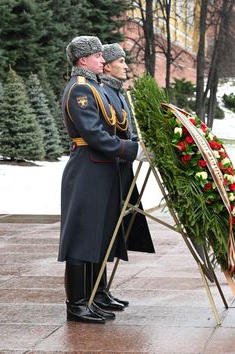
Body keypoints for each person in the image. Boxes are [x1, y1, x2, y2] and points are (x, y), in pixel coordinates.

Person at [58, 36, 155, 324]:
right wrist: (131, 150)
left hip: (101, 168)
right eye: (97, 56)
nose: (103, 60)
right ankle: (76, 304)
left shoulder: (95, 87)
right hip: (88, 168)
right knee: (81, 236)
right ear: (82, 60)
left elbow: (113, 126)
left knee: (97, 234)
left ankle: (90, 298)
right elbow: (95, 135)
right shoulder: (80, 90)